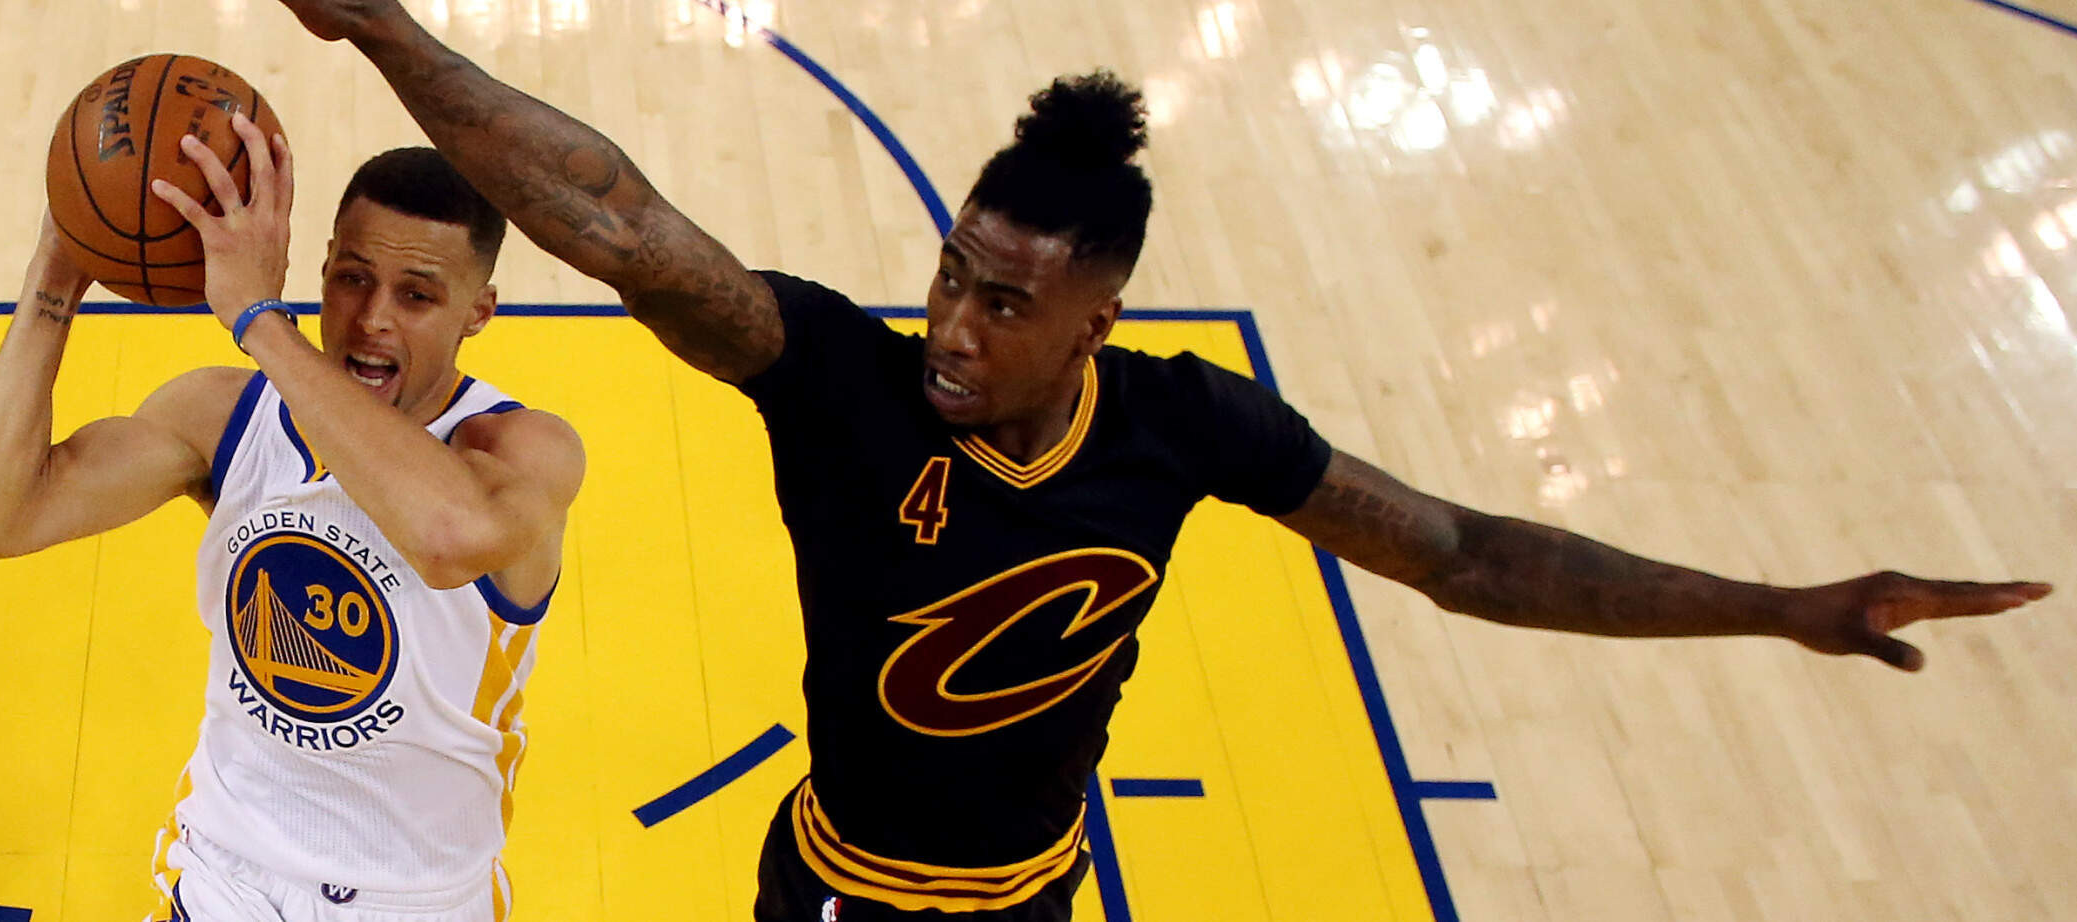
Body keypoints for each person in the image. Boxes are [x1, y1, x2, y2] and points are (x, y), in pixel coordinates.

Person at [266, 3, 2052, 919]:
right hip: (834, 888)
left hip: (1034, 891)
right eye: (948, 271)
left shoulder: (1189, 426)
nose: (954, 324)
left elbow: (1468, 556)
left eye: (1003, 300)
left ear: (1097, 318)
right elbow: (624, 221)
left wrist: (1780, 605)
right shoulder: (845, 388)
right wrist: (393, 31)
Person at [0, 122, 585, 922]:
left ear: (478, 311)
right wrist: (60, 267)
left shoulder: (519, 449)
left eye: (417, 295)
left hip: (418, 901)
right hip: (223, 878)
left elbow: (448, 540)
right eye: (352, 278)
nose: (372, 318)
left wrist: (258, 319)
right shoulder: (226, 416)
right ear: (319, 268)